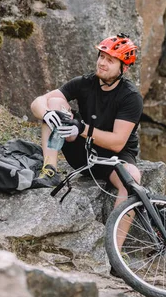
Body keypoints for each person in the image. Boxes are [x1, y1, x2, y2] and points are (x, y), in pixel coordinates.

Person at [30, 33, 143, 211]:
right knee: (53, 104)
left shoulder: (130, 97)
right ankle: (50, 169)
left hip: (113, 158)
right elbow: (37, 102)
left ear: (124, 68)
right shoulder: (85, 83)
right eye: (102, 56)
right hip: (82, 152)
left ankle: (113, 238)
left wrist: (82, 128)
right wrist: (46, 114)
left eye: (111, 60)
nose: (102, 63)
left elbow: (117, 143)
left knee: (132, 178)